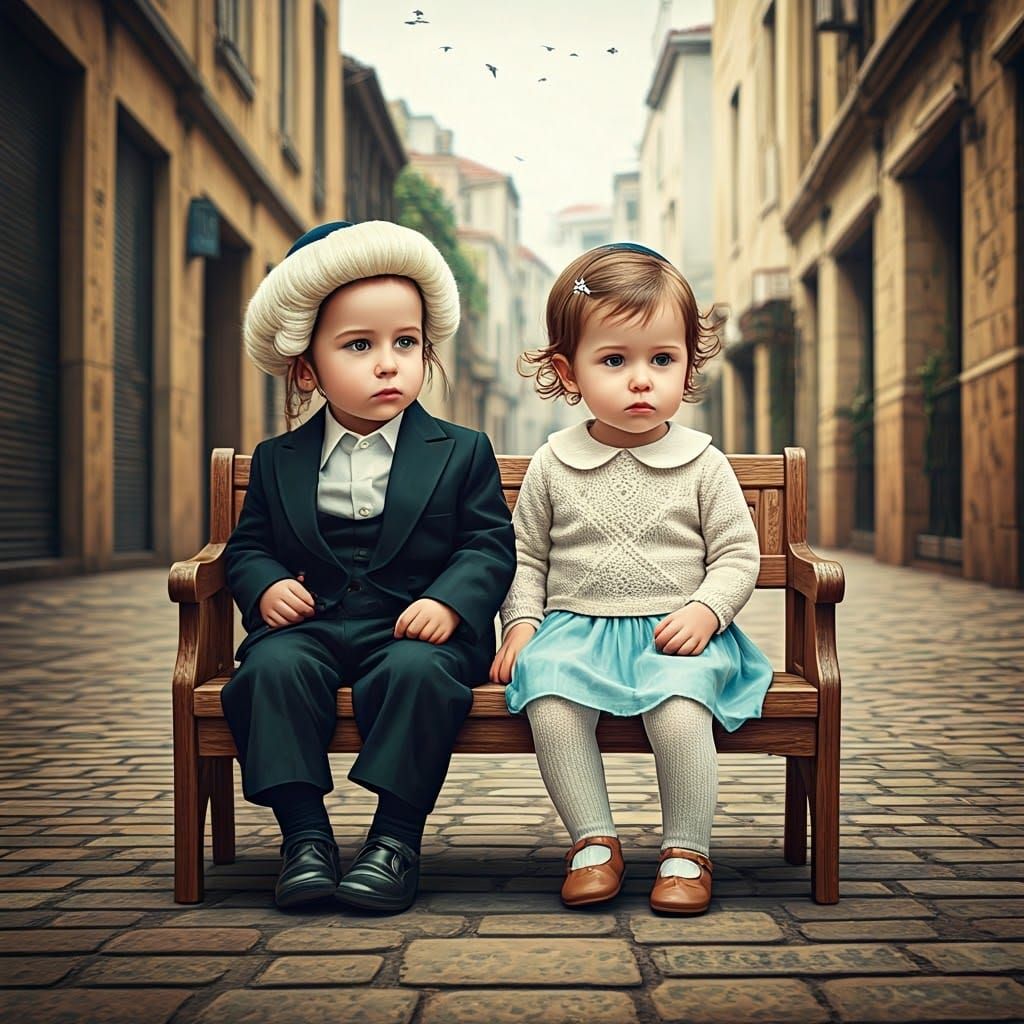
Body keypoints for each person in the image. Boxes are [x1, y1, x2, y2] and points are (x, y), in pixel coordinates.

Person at [222, 220, 516, 913]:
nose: (390, 363)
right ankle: (305, 838)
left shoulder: (461, 450)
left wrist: (449, 602)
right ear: (306, 367)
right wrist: (263, 585)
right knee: (269, 670)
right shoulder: (277, 459)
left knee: (419, 676)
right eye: (360, 345)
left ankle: (394, 840)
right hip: (314, 626)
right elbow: (248, 546)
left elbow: (488, 542)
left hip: (415, 631)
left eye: (405, 343)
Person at [489, 242, 773, 915]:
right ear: (569, 370)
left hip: (675, 634)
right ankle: (592, 842)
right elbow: (524, 557)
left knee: (679, 712)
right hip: (576, 634)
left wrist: (708, 611)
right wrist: (522, 624)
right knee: (550, 703)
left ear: (688, 365)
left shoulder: (702, 463)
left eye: (662, 359)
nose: (641, 379)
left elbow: (738, 554)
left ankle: (686, 850)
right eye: (615, 360)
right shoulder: (554, 465)